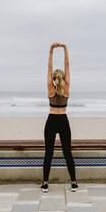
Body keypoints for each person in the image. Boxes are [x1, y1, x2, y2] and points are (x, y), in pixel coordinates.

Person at [41, 42, 78, 193]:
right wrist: (65, 48)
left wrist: (50, 50)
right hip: (63, 121)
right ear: (63, 77)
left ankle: (45, 183)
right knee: (67, 152)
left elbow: (48, 68)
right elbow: (67, 64)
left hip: (51, 121)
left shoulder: (51, 88)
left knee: (48, 153)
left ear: (54, 78)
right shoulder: (67, 87)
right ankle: (74, 183)